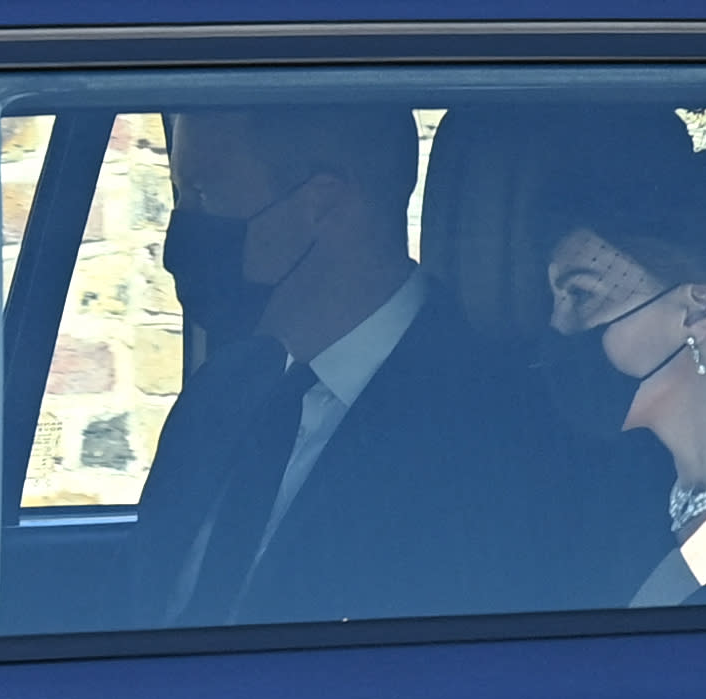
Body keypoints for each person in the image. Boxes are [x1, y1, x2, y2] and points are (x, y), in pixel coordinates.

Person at [133, 107, 572, 628]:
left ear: (321, 205)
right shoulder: (218, 394)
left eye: (206, 195)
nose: (178, 237)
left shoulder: (499, 431)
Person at [539, 138, 706, 606]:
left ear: (697, 309)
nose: (558, 327)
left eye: (584, 296)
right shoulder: (610, 506)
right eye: (555, 299)